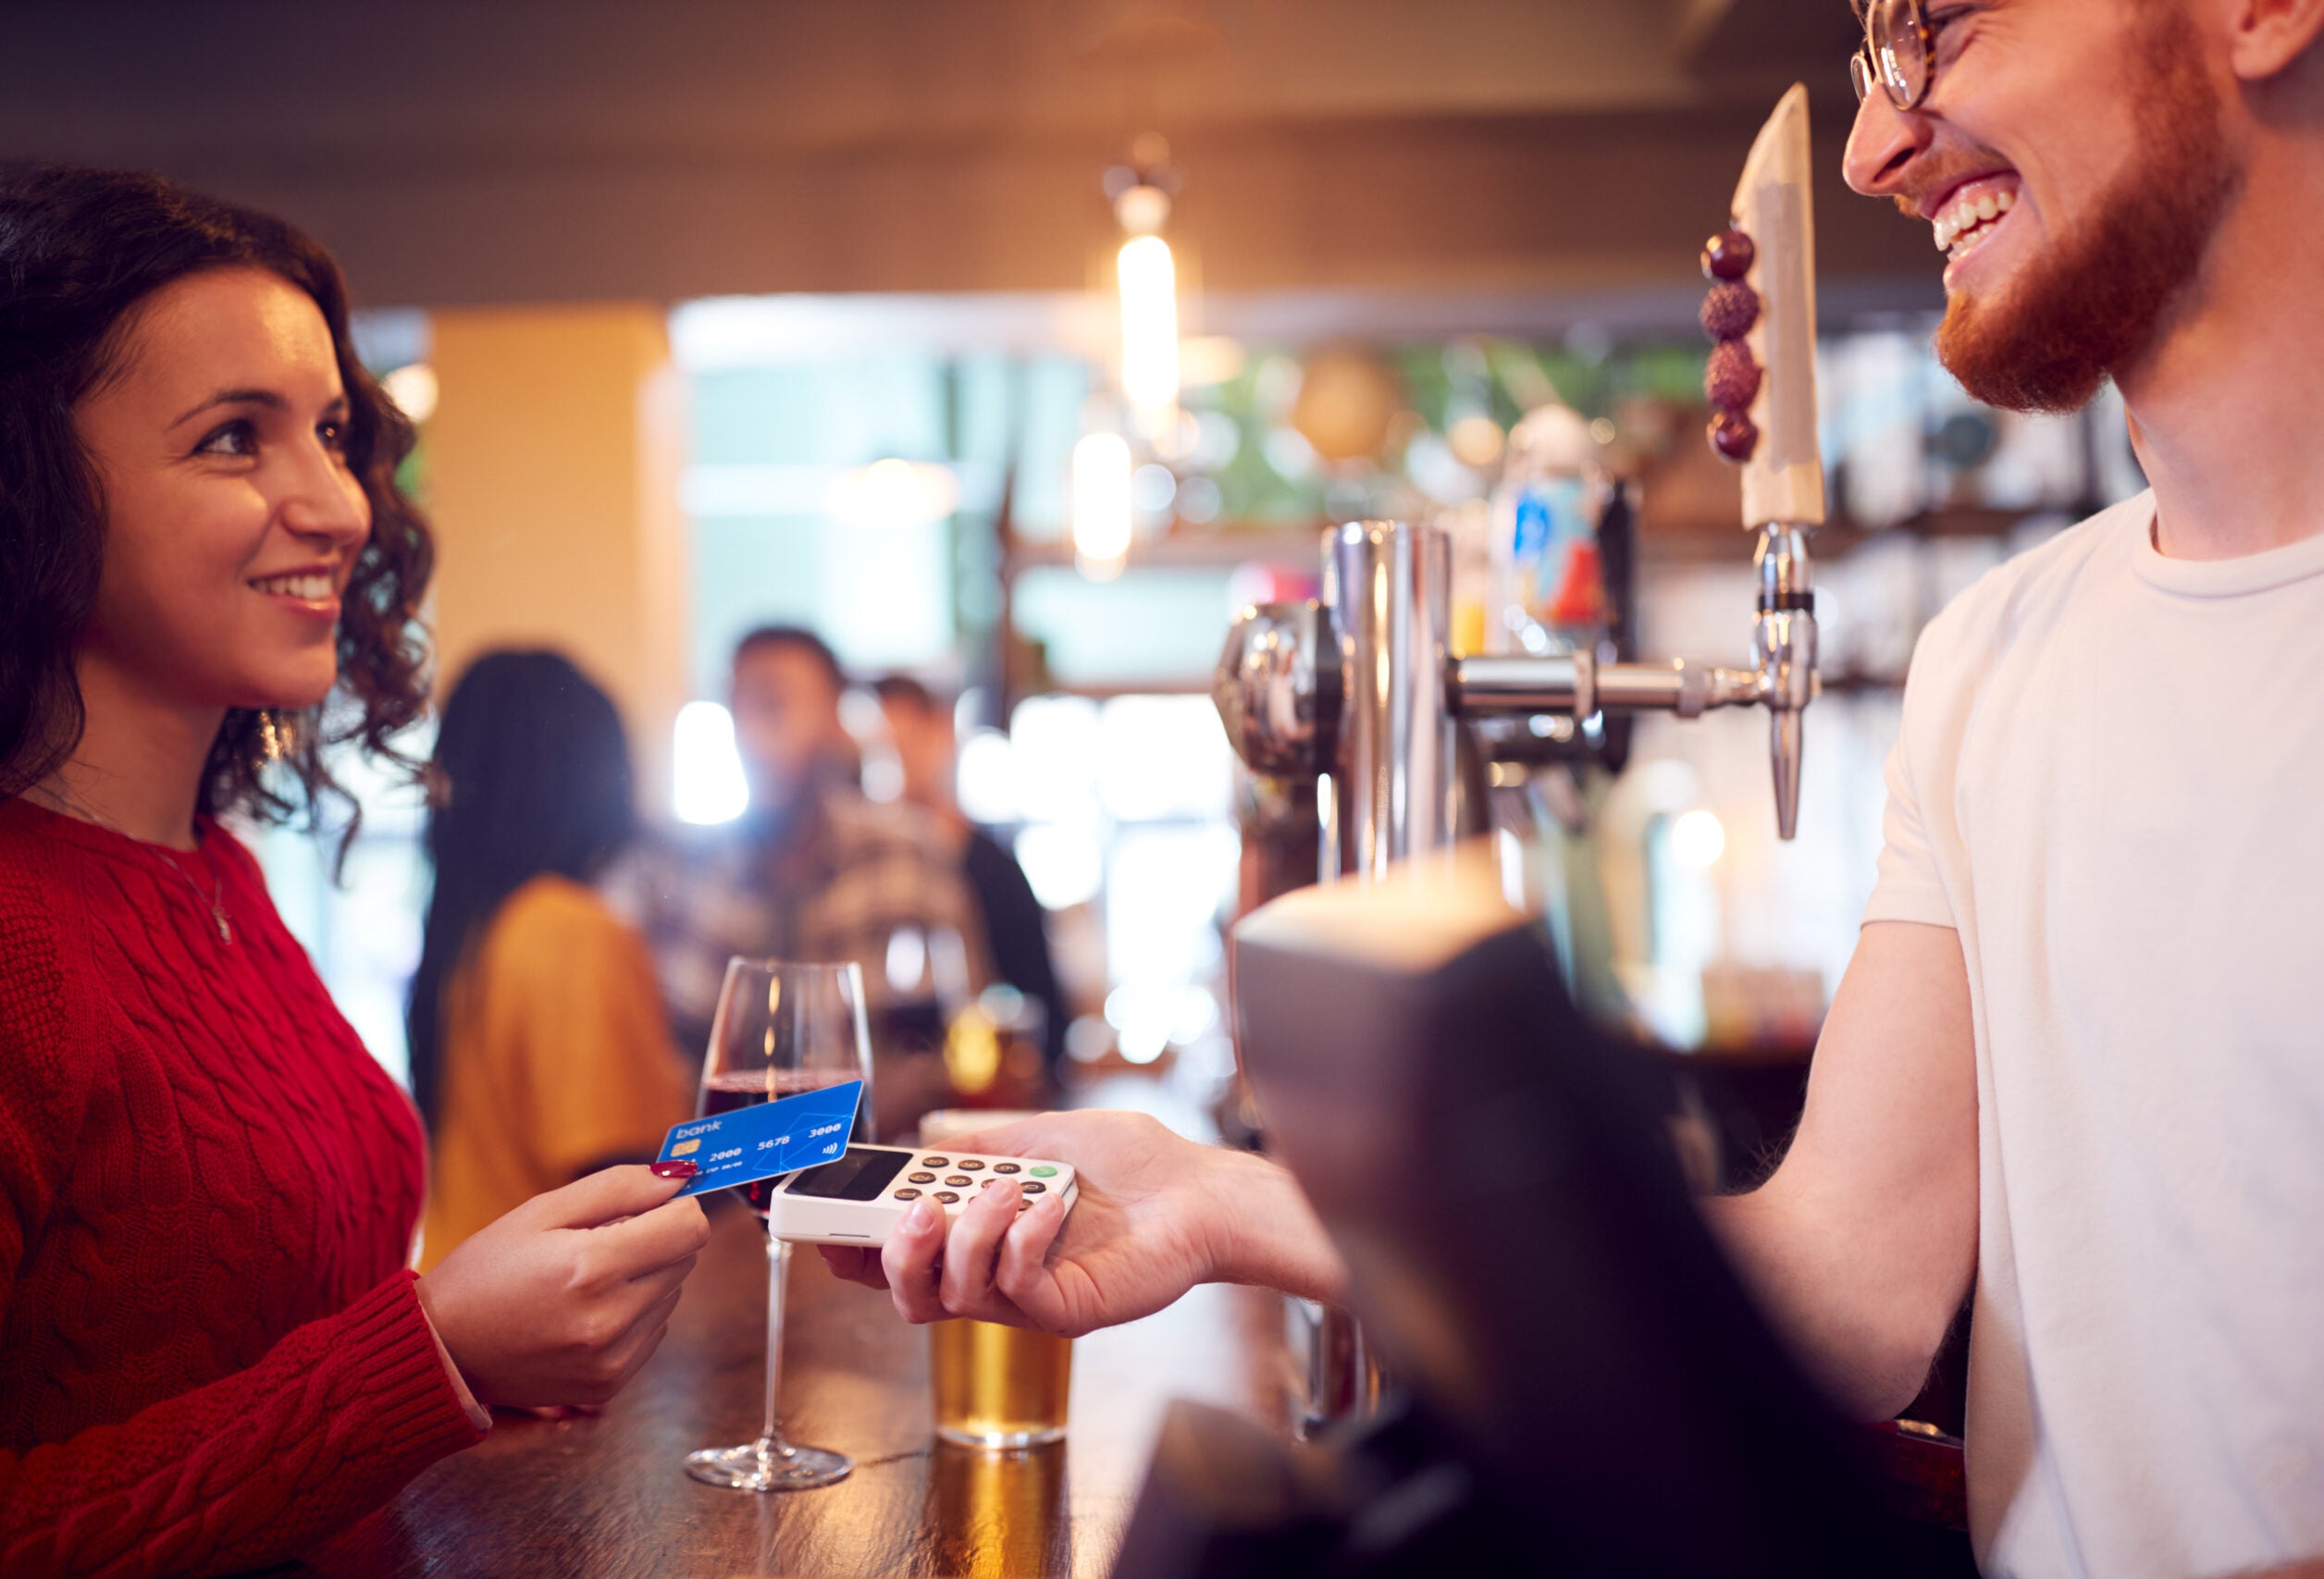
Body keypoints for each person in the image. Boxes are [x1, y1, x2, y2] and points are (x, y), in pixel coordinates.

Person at [829, 3, 2324, 1574]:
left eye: (1940, 21)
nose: (1880, 149)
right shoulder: (1994, 663)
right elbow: (1848, 1293)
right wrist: (1215, 1203)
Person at [0, 165, 708, 1573]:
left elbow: (245, 1375)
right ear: (17, 487)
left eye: (333, 432)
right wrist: (425, 1351)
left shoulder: (218, 881)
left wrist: (468, 1373)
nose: (343, 504)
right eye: (235, 438)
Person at [612, 627, 990, 1135]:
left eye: (773, 705)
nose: (751, 732)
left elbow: (964, 1037)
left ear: (835, 717)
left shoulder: (907, 854)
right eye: (736, 709)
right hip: (715, 1198)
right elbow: (641, 1066)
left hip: (874, 1185)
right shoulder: (673, 868)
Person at [408, 649, 693, 1270]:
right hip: (540, 1322)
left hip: (459, 1291)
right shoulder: (572, 931)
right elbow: (629, 1197)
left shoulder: (469, 932)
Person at [873, 674, 1070, 1084]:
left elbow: (1046, 1012)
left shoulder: (993, 869)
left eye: (904, 745)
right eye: (880, 753)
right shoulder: (856, 874)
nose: (893, 767)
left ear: (943, 734)